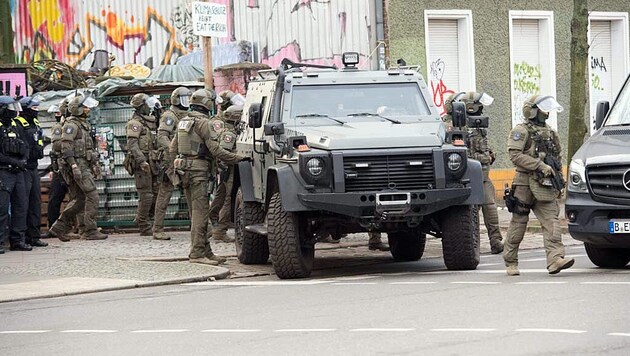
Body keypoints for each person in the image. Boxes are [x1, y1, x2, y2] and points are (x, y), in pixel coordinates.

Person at [169, 88, 248, 266]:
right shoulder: (204, 123)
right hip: (198, 172)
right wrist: (240, 159)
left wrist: (175, 166)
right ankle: (197, 253)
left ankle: (207, 251)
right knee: (200, 214)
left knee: (195, 212)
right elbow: (217, 151)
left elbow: (173, 148)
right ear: (206, 104)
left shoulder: (184, 121)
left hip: (184, 171)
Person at [503, 95, 574, 276]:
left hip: (546, 184)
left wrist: (559, 182)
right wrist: (539, 165)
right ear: (532, 110)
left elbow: (557, 159)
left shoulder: (550, 132)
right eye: (543, 109)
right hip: (524, 184)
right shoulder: (521, 131)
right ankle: (511, 261)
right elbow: (515, 156)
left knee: (552, 221)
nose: (546, 113)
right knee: (519, 222)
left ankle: (555, 259)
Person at [47, 94, 108, 241]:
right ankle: (90, 230)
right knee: (92, 196)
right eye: (85, 107)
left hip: (83, 165)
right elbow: (65, 146)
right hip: (78, 166)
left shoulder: (82, 125)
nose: (88, 109)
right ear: (78, 109)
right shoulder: (71, 125)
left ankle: (58, 228)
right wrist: (74, 166)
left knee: (80, 199)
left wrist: (94, 164)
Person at [460, 92, 504, 254]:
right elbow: (460, 154)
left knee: (490, 207)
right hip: (468, 177)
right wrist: (483, 157)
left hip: (484, 176)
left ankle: (496, 240)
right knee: (469, 213)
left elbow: (483, 146)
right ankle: (470, 245)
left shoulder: (478, 125)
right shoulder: (458, 126)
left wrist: (490, 154)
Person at [152, 87, 192, 241]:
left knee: (191, 193)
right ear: (176, 99)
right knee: (165, 193)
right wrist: (173, 151)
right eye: (184, 98)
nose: (187, 101)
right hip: (170, 160)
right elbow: (162, 136)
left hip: (184, 159)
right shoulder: (170, 116)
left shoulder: (187, 114)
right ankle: (158, 228)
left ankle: (201, 227)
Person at [208, 90, 245, 243]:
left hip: (225, 168)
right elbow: (223, 151)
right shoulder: (226, 129)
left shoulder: (226, 125)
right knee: (227, 198)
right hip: (227, 168)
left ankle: (210, 223)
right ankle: (220, 229)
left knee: (221, 196)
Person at [126, 93, 160, 236]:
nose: (150, 107)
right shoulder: (135, 123)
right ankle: (143, 225)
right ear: (141, 107)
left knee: (157, 193)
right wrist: (141, 161)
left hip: (152, 162)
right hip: (142, 163)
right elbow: (132, 145)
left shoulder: (149, 122)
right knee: (146, 195)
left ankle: (143, 218)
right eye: (147, 105)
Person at [16, 97, 48, 247]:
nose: (36, 110)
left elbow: (38, 139)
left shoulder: (35, 122)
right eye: (33, 108)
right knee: (23, 204)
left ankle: (34, 236)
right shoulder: (18, 124)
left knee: (35, 202)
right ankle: (19, 238)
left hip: (34, 167)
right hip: (22, 169)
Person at [0, 96, 30, 252]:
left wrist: (23, 159)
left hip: (18, 172)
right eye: (10, 107)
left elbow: (25, 145)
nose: (14, 110)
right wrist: (13, 162)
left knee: (21, 206)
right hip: (4, 171)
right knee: (2, 208)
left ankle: (18, 240)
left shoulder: (15, 125)